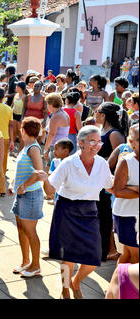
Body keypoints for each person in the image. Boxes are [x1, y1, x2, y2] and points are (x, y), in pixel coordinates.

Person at [43, 125, 114, 299]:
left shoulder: (102, 163)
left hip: (90, 211)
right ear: (80, 143)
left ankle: (75, 282)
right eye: (92, 141)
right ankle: (66, 289)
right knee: (68, 257)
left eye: (99, 141)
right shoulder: (68, 163)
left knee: (95, 257)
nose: (97, 145)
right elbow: (51, 189)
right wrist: (43, 178)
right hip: (67, 210)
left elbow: (111, 186)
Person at [9, 117, 45, 278]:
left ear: (23, 130)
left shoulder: (33, 148)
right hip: (22, 194)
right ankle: (26, 261)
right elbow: (22, 170)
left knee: (30, 231)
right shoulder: (27, 146)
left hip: (30, 195)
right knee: (21, 228)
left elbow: (39, 173)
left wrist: (23, 186)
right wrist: (14, 185)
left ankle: (36, 265)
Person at [95, 102, 127, 261]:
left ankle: (111, 249)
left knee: (105, 216)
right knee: (99, 215)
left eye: (97, 111)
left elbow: (121, 159)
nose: (95, 112)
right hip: (97, 178)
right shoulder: (102, 130)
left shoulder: (114, 134)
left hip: (107, 180)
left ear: (104, 115)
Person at [111, 124, 139, 264]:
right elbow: (118, 191)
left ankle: (117, 286)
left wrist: (134, 188)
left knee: (128, 255)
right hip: (127, 215)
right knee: (134, 257)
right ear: (131, 142)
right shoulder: (126, 162)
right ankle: (122, 285)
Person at [0, 87, 14, 194]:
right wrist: (12, 140)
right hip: (5, 137)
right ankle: (1, 187)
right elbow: (11, 126)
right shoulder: (8, 109)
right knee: (3, 162)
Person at [43, 93, 70, 172]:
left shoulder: (56, 116)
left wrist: (45, 149)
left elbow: (51, 134)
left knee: (51, 171)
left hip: (56, 147)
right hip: (63, 146)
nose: (47, 106)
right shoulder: (63, 113)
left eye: (47, 103)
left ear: (51, 104)